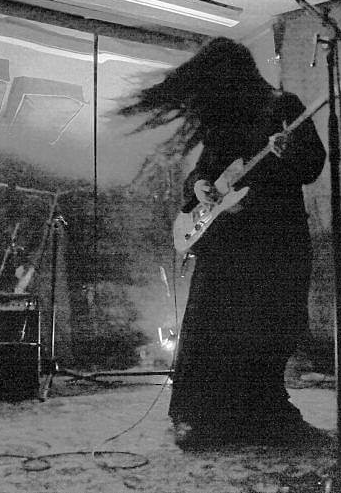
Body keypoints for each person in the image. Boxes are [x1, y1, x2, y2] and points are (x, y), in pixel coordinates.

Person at [119, 37, 327, 448]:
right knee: (215, 329)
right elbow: (202, 175)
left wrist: (286, 155)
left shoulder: (284, 106)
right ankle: (202, 415)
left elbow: (313, 164)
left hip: (275, 236)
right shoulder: (225, 120)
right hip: (229, 243)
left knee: (274, 325)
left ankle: (266, 412)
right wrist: (199, 187)